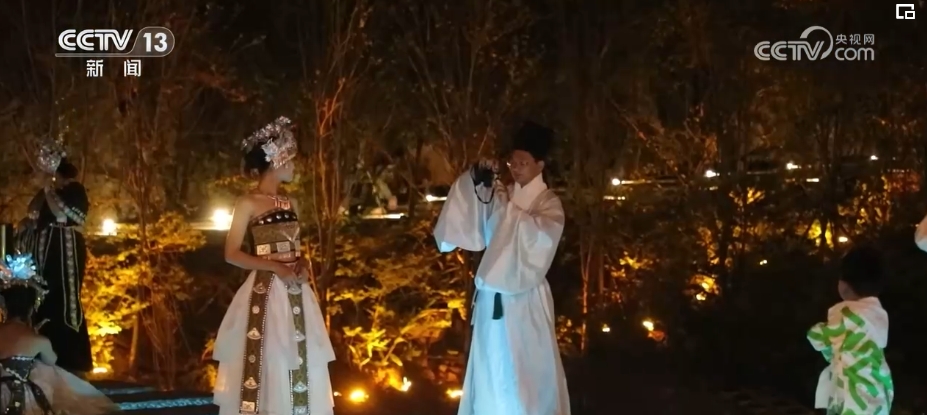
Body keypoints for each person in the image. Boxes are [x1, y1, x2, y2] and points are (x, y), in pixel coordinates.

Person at [433, 121, 570, 415]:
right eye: (512, 162)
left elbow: (538, 241)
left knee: (527, 372)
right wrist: (475, 179)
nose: (516, 168)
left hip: (525, 298)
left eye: (523, 163)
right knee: (491, 366)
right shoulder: (502, 194)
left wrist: (508, 208)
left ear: (540, 165)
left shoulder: (549, 204)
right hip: (491, 300)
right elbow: (475, 221)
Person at [212, 116, 336, 415]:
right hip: (266, 294)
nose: (294, 166)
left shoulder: (291, 203)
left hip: (297, 292)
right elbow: (231, 253)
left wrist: (303, 266)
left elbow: (297, 249)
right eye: (289, 160)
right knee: (272, 356)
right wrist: (275, 267)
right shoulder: (248, 203)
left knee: (302, 356)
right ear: (275, 160)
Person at [0, 253, 119, 415]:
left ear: (5, 306)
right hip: (23, 399)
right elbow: (52, 361)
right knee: (44, 370)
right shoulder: (37, 340)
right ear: (31, 309)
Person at [15, 140, 92, 376]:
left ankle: (69, 357)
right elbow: (33, 217)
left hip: (63, 250)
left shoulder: (74, 191)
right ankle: (41, 353)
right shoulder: (44, 194)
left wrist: (49, 190)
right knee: (41, 299)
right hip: (40, 254)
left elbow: (64, 214)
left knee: (63, 299)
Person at [807, 245, 893, 415]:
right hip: (877, 388)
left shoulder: (847, 314)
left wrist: (814, 331)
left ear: (844, 285)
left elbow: (820, 336)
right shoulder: (878, 314)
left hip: (854, 394)